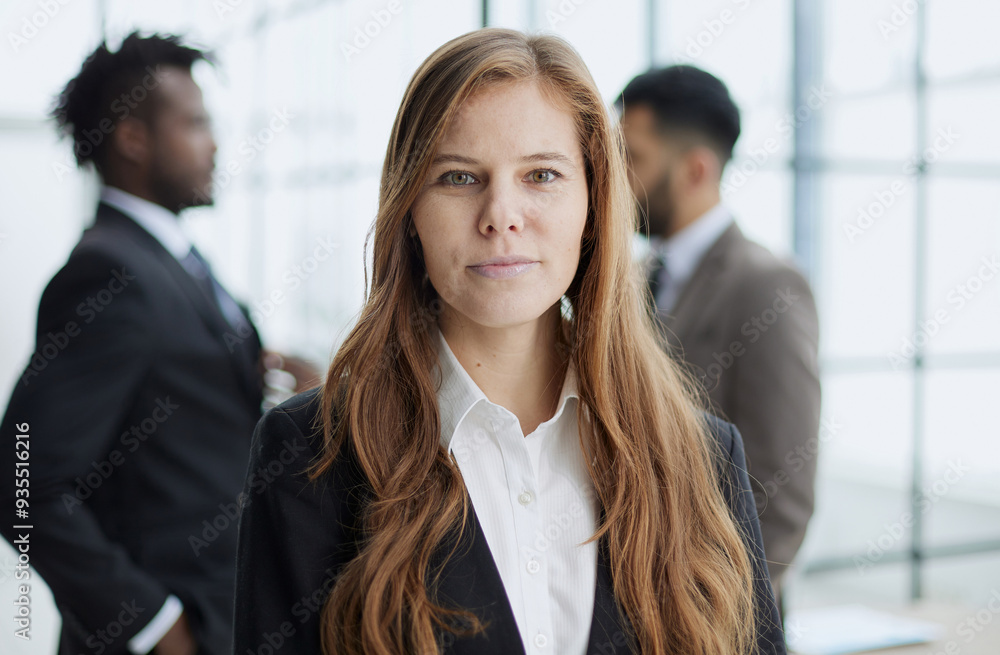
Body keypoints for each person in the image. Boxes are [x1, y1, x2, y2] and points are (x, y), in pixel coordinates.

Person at [234, 29, 785, 655]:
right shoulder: (310, 457)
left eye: (542, 174)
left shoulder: (701, 458)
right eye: (459, 178)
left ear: (593, 203)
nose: (501, 214)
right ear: (409, 210)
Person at [0, 33, 314, 654]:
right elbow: (23, 478)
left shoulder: (172, 261)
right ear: (133, 139)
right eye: (195, 123)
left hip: (225, 614)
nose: (215, 142)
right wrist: (153, 625)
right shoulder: (109, 276)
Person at [616, 65, 821, 607]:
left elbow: (783, 490)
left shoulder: (766, 286)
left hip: (713, 616)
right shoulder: (634, 279)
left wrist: (717, 618)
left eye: (632, 158)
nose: (615, 178)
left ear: (695, 169)